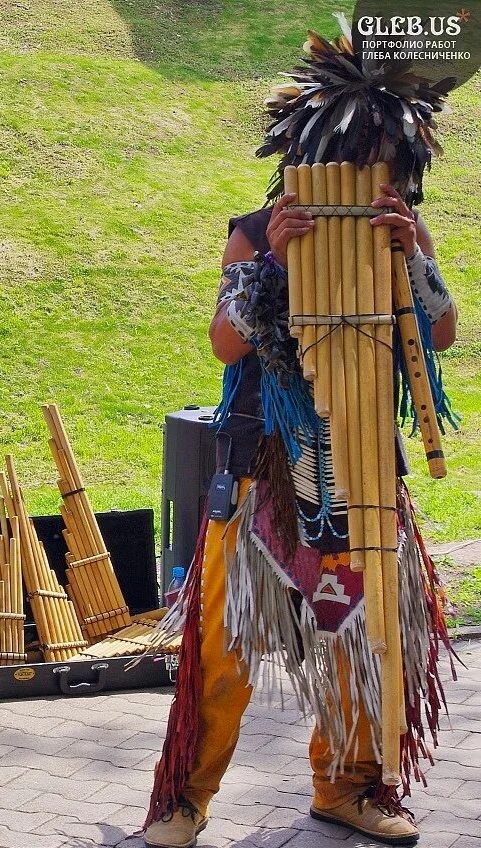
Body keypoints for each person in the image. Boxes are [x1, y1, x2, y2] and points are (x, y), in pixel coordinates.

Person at [142, 21, 459, 848]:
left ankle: (352, 785)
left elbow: (443, 334)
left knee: (362, 633)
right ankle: (184, 798)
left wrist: (414, 253)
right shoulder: (254, 230)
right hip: (260, 469)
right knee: (223, 650)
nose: (359, 182)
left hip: (357, 467)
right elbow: (224, 341)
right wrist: (273, 264)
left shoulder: (396, 228)